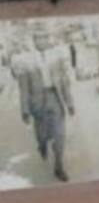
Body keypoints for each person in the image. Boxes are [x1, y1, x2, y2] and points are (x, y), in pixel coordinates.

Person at [12, 27, 74, 183]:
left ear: (48, 39)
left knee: (60, 135)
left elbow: (64, 82)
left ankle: (59, 167)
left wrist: (69, 102)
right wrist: (24, 110)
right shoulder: (25, 61)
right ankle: (42, 145)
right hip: (37, 103)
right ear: (34, 41)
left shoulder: (57, 57)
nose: (41, 41)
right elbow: (24, 88)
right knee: (41, 134)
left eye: (44, 38)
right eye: (38, 38)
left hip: (55, 98)